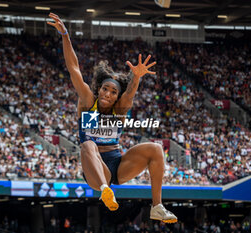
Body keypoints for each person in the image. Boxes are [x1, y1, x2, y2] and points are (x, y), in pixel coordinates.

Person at [47, 12, 177, 223]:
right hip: (96, 170)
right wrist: (65, 36)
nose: (107, 94)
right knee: (88, 144)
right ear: (99, 89)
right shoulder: (89, 102)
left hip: (118, 165)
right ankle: (105, 191)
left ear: (117, 96)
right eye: (105, 89)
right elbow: (74, 69)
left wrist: (136, 76)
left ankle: (157, 206)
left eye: (113, 92)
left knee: (155, 148)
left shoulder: (119, 110)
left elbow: (131, 93)